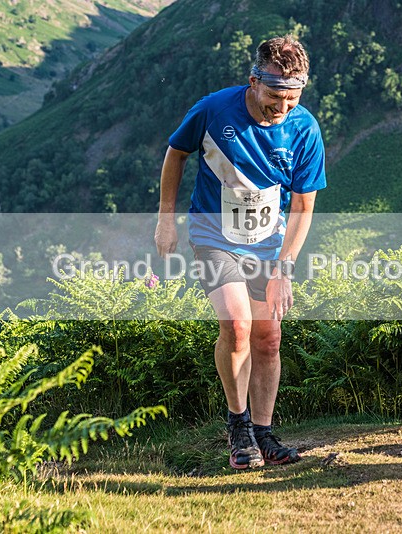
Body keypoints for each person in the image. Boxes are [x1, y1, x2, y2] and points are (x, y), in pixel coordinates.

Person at [154, 35, 326, 469]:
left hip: (269, 243)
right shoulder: (214, 109)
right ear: (253, 81)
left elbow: (304, 206)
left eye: (293, 97)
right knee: (237, 323)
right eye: (274, 96)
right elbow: (175, 154)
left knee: (268, 339)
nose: (282, 107)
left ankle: (264, 434)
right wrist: (165, 219)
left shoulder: (303, 128)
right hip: (213, 234)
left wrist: (284, 269)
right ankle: (239, 426)